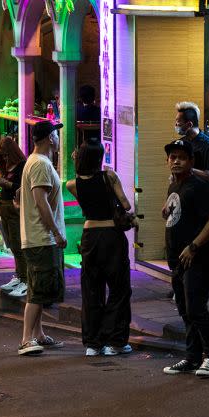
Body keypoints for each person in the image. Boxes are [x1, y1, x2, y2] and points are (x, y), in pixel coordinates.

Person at [161, 139, 209, 377]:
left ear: (191, 161)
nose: (176, 161)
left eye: (181, 157)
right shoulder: (174, 186)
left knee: (196, 308)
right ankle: (192, 356)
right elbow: (176, 213)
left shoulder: (198, 185)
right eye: (172, 157)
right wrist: (166, 211)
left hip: (197, 259)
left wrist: (194, 246)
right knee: (185, 309)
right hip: (178, 260)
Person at [67, 139, 134, 357]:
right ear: (99, 158)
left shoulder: (72, 184)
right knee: (119, 288)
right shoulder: (109, 176)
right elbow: (125, 205)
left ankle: (93, 344)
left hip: (89, 238)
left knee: (91, 289)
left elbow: (87, 204)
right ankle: (114, 340)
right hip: (111, 236)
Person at [17, 121, 67, 356]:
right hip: (41, 237)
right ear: (49, 138)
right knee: (38, 290)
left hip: (39, 236)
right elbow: (41, 201)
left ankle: (38, 334)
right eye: (56, 134)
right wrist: (55, 232)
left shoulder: (37, 162)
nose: (58, 137)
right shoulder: (40, 164)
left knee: (38, 288)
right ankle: (27, 338)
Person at [0, 137, 28, 297]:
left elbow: (22, 188)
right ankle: (19, 276)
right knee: (13, 246)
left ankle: (25, 279)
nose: (5, 159)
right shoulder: (7, 166)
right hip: (4, 208)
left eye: (6, 155)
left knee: (18, 245)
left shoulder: (22, 166)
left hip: (14, 209)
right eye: (2, 156)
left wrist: (7, 184)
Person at [174, 102, 209, 184]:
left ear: (189, 124)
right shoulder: (181, 143)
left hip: (200, 194)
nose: (176, 124)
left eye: (178, 121)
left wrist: (189, 169)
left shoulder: (208, 145)